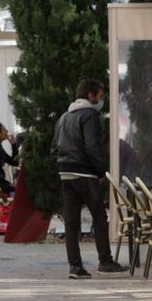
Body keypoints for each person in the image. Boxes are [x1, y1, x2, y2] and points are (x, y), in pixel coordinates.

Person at [52, 79, 129, 280]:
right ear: (90, 95)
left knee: (71, 222)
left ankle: (75, 266)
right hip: (85, 173)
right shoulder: (90, 115)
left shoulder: (64, 117)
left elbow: (54, 148)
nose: (101, 101)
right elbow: (92, 146)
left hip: (65, 173)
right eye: (100, 96)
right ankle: (105, 261)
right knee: (100, 218)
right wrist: (101, 171)